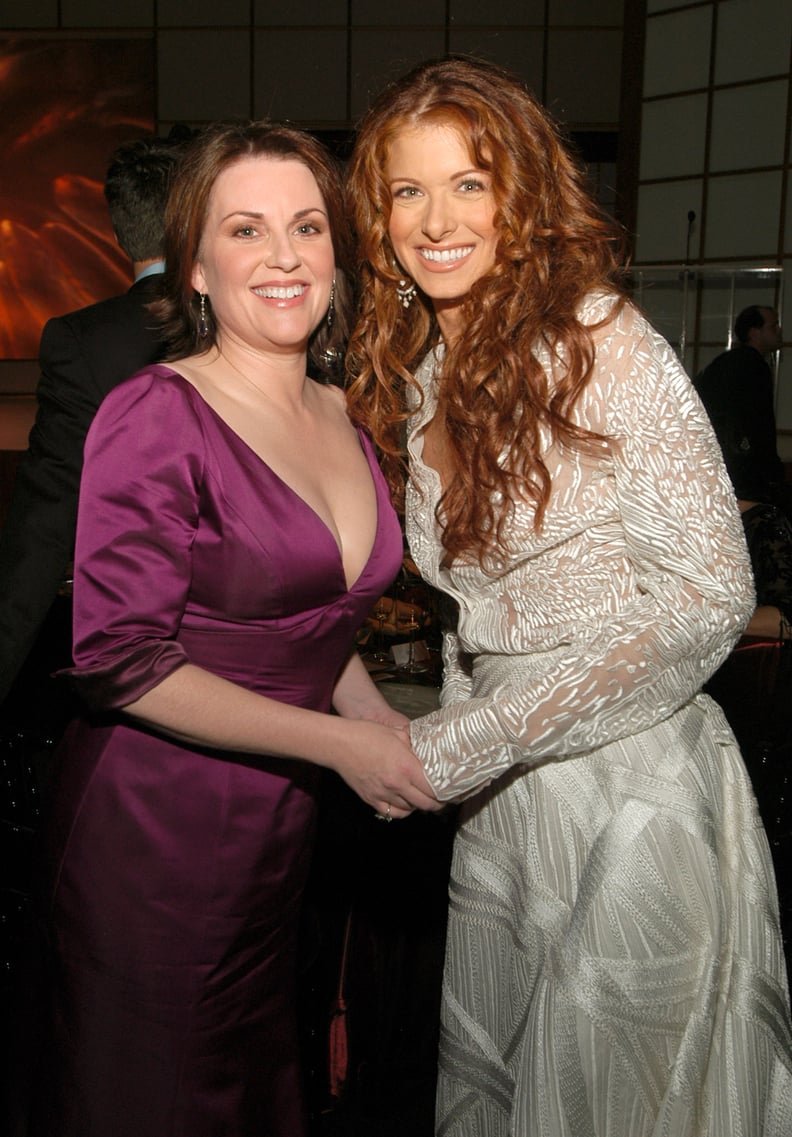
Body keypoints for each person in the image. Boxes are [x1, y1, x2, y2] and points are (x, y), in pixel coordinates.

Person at [345, 56, 792, 1137]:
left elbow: (707, 594)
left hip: (633, 798)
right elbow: (476, 613)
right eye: (409, 190)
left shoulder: (602, 340)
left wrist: (460, 747)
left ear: (523, 198)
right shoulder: (426, 378)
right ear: (378, 215)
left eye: (470, 182)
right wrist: (448, 747)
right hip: (507, 815)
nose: (437, 218)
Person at [31, 121, 438, 1137]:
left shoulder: (342, 412)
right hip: (152, 833)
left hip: (276, 830)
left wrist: (371, 711)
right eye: (246, 230)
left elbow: (314, 615)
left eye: (307, 226)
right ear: (198, 268)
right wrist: (340, 744)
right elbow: (120, 660)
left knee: (254, 1082)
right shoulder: (155, 412)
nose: (285, 254)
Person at [0, 135, 184, 728]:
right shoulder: (259, 318)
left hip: (138, 652)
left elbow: (44, 524)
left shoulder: (84, 341)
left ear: (119, 232)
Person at [695, 306, 791, 641]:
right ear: (754, 331)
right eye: (773, 324)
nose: (779, 331)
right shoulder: (747, 366)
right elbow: (755, 431)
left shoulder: (727, 365)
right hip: (743, 479)